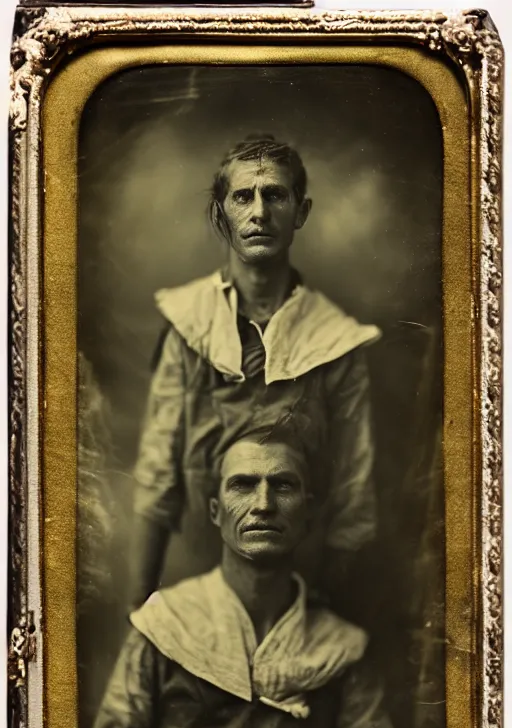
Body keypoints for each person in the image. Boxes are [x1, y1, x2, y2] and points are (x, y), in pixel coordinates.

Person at [83, 433, 410, 728]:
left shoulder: (341, 647)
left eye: (283, 485)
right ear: (216, 512)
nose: (263, 504)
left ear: (309, 511)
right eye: (242, 484)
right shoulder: (165, 625)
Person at [130, 134, 381, 611]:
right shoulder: (190, 326)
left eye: (275, 195)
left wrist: (326, 615)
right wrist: (139, 609)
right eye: (243, 196)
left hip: (304, 587)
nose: (259, 212)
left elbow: (354, 494)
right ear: (221, 212)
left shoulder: (336, 341)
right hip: (199, 582)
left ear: (301, 212)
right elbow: (156, 478)